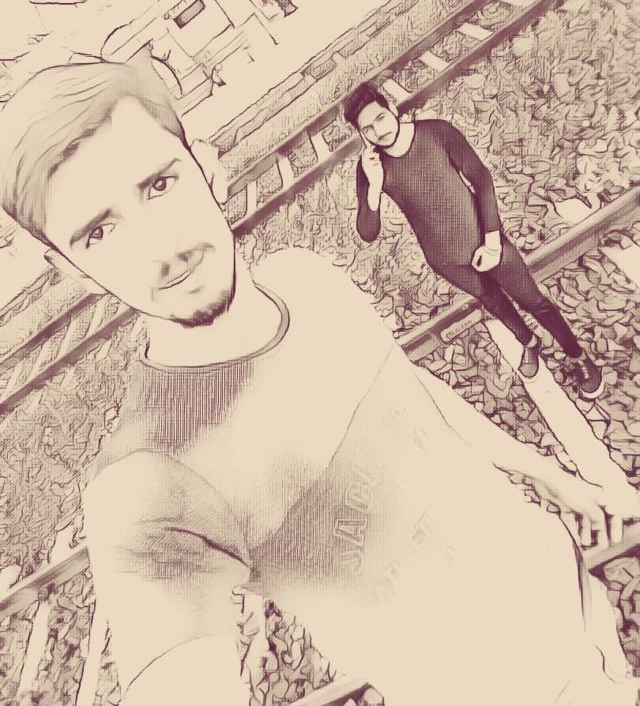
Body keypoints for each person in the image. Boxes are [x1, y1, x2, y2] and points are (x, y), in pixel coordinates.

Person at [1, 59, 637, 705]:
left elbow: (410, 395)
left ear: (207, 167)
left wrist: (548, 474)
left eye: (160, 184)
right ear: (69, 268)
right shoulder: (146, 483)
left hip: (571, 592)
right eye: (100, 231)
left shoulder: (306, 278)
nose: (162, 248)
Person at [345, 82, 604, 399]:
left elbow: (481, 178)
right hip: (446, 260)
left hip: (486, 239)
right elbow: (368, 232)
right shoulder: (370, 168)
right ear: (362, 135)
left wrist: (492, 242)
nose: (379, 132)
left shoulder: (436, 132)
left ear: (392, 109)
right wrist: (374, 185)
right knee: (493, 302)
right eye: (368, 129)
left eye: (380, 119)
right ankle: (530, 342)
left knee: (533, 301)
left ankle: (577, 356)